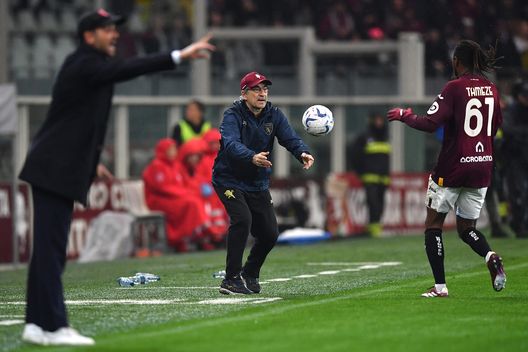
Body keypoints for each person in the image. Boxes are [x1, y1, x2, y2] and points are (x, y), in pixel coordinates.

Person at [18, 8, 214, 346]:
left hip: (58, 165)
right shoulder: (86, 64)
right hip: (55, 167)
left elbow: (74, 118)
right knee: (51, 250)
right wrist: (179, 55)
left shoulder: (87, 68)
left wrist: (91, 160)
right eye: (107, 30)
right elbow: (128, 68)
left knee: (48, 250)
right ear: (88, 36)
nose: (115, 35)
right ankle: (55, 326)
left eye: (114, 29)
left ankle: (36, 324)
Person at [386, 39, 507, 298]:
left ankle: (440, 287)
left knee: (433, 224)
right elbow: (495, 127)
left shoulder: (454, 88)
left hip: (452, 167)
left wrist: (405, 115)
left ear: (456, 61)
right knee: (467, 229)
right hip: (482, 166)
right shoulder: (492, 89)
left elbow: (430, 123)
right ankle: (490, 256)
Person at [212, 71, 314, 295]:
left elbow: (290, 138)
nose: (262, 93)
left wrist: (303, 153)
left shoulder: (274, 114)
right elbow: (230, 144)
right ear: (244, 94)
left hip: (257, 183)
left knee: (269, 234)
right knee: (242, 220)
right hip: (228, 179)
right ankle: (230, 279)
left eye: (265, 89)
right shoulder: (232, 115)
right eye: (256, 89)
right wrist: (251, 156)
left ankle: (250, 273)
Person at [142, 138, 212, 252]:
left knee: (194, 200)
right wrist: (184, 193)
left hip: (172, 198)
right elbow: (162, 188)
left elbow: (185, 183)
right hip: (158, 201)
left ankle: (190, 236)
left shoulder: (175, 165)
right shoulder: (157, 165)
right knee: (191, 203)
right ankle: (187, 237)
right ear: (163, 151)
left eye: (174, 149)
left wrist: (190, 192)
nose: (174, 152)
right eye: (171, 150)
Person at [349, 112, 390, 237]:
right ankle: (373, 230)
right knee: (373, 203)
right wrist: (360, 172)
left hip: (383, 178)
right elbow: (354, 155)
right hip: (369, 177)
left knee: (381, 204)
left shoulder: (385, 137)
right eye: (376, 120)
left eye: (381, 120)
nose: (379, 123)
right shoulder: (364, 137)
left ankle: (376, 227)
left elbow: (386, 159)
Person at [502, 77, 528, 238]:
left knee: (523, 192)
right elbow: (508, 130)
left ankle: (521, 222)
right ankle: (517, 223)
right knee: (518, 191)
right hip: (514, 158)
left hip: (524, 155)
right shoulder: (512, 111)